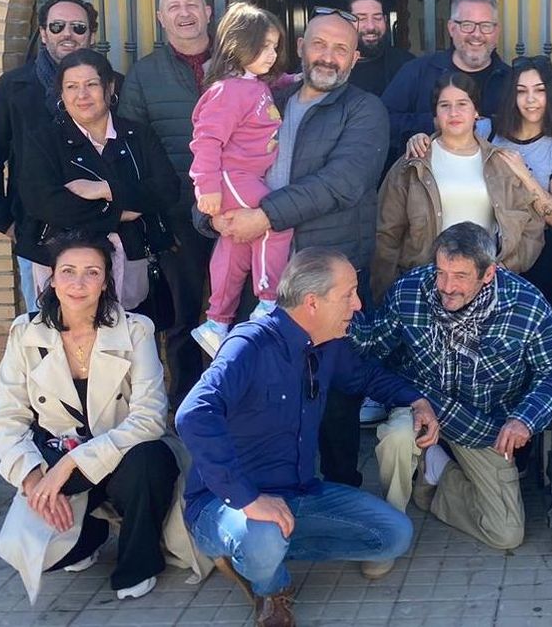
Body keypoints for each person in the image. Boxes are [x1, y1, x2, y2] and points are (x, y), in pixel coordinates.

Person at [177, 249, 425, 626]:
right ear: (312, 302)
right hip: (227, 506)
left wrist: (417, 399)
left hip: (298, 495)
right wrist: (247, 498)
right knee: (263, 534)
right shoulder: (249, 344)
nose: (358, 305)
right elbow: (193, 414)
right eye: (348, 295)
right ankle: (271, 585)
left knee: (394, 535)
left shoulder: (328, 345)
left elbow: (365, 377)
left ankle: (256, 556)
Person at [205, 11, 389, 490]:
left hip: (327, 282)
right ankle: (272, 501)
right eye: (320, 44)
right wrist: (212, 215)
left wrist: (262, 217)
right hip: (264, 278)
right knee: (265, 397)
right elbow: (217, 155)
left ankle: (343, 500)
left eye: (341, 48)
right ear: (302, 45)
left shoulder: (364, 110)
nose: (328, 55)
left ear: (355, 57)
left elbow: (341, 183)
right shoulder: (265, 95)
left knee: (334, 397)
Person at [0, 232, 203, 603]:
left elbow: (149, 418)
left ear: (106, 280)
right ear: (51, 278)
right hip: (58, 458)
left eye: (92, 272)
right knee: (44, 558)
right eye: (68, 271)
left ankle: (139, 560)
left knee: (149, 459)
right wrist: (32, 477)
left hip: (124, 459)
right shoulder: (24, 333)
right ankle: (87, 536)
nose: (78, 282)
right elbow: (8, 418)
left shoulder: (136, 330)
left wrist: (73, 463)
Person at [359, 223, 552, 550]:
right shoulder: (409, 290)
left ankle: (436, 470)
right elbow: (374, 347)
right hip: (421, 402)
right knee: (396, 437)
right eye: (441, 272)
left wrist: (524, 420)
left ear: (489, 273)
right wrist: (342, 312)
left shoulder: (526, 306)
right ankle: (387, 534)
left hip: (482, 423)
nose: (446, 286)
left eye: (460, 276)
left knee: (506, 533)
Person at [14, 49, 185, 311]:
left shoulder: (137, 135)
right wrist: (118, 212)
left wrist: (104, 189)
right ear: (61, 93)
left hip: (132, 260)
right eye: (72, 87)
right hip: (61, 268)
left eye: (91, 84)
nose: (82, 95)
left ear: (110, 87)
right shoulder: (43, 140)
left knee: (128, 343)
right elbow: (45, 204)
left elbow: (166, 189)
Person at [120, 0, 216, 405]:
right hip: (178, 214)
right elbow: (133, 147)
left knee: (244, 311)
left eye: (191, 5)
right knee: (183, 313)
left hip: (241, 211)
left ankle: (240, 400)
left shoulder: (237, 61)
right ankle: (186, 401)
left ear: (208, 12)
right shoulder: (144, 74)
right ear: (160, 18)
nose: (184, 13)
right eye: (173, 7)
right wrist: (155, 212)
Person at [0, 0, 110, 314]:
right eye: (57, 26)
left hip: (104, 228)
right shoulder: (14, 87)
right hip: (37, 232)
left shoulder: (111, 86)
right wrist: (4, 221)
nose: (67, 34)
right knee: (45, 329)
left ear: (91, 35)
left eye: (77, 28)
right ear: (43, 33)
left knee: (105, 325)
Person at [372, 73, 545, 294]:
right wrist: (385, 293)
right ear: (435, 114)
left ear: (476, 112)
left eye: (462, 104)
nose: (453, 112)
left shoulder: (501, 163)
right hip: (425, 285)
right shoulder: (412, 165)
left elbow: (532, 225)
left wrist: (505, 267)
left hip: (485, 286)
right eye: (445, 105)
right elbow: (387, 235)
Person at [188, 3, 295, 356]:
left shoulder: (254, 84)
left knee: (234, 249)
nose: (271, 54)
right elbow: (206, 139)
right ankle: (267, 301)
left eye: (274, 46)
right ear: (238, 44)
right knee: (275, 224)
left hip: (244, 175)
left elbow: (271, 84)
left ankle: (217, 321)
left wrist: (296, 79)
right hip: (234, 176)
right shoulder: (228, 90)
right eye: (263, 46)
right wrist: (207, 188)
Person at [490, 55, 552, 307]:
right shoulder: (488, 133)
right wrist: (419, 137)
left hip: (538, 260)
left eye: (539, 91)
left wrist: (523, 173)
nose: (530, 100)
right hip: (489, 251)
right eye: (521, 91)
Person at [382, 0, 510, 158]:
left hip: (495, 180)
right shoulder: (417, 72)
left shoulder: (512, 81)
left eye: (486, 26)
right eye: (467, 25)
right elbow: (381, 122)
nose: (477, 34)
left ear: (497, 31)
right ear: (451, 28)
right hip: (426, 180)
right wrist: (435, 122)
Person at [346, 0, 415, 99]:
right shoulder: (334, 65)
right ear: (346, 22)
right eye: (361, 18)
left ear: (385, 20)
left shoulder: (406, 64)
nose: (371, 27)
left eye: (377, 18)